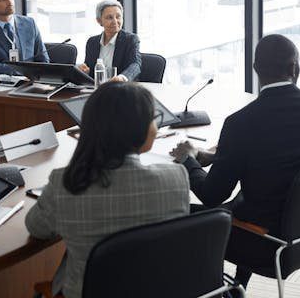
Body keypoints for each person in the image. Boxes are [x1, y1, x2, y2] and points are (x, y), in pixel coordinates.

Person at [170, 34, 300, 287]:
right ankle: (239, 286)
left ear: (256, 69)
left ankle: (215, 290)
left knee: (174, 216)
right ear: (295, 69)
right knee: (243, 200)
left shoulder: (241, 122)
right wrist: (221, 155)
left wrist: (188, 159)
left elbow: (212, 194)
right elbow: (280, 157)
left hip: (267, 241)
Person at [25, 82, 189, 298]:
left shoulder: (65, 184)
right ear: (141, 129)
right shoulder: (177, 178)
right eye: (153, 119)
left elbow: (36, 228)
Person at [79, 0, 141, 82]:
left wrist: (122, 77)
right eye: (109, 17)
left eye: (118, 17)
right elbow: (89, 70)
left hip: (120, 88)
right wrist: (85, 70)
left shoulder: (130, 40)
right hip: (98, 90)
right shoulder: (92, 42)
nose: (115, 21)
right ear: (99, 21)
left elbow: (135, 65)